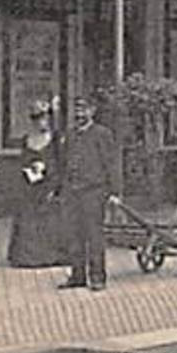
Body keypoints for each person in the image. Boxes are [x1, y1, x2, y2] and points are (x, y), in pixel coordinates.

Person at [59, 96, 121, 291]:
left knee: (94, 235)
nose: (79, 113)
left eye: (84, 109)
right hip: (72, 192)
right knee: (73, 235)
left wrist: (114, 191)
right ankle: (77, 276)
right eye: (77, 109)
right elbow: (65, 162)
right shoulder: (70, 134)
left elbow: (111, 163)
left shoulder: (102, 134)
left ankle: (97, 277)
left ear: (92, 111)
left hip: (94, 192)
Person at [5, 98, 66, 268]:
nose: (42, 122)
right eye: (38, 119)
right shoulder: (27, 140)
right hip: (31, 185)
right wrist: (30, 169)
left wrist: (56, 184)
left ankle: (52, 255)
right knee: (28, 217)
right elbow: (22, 161)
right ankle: (28, 256)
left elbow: (62, 163)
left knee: (50, 217)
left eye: (45, 118)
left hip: (50, 185)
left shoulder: (56, 139)